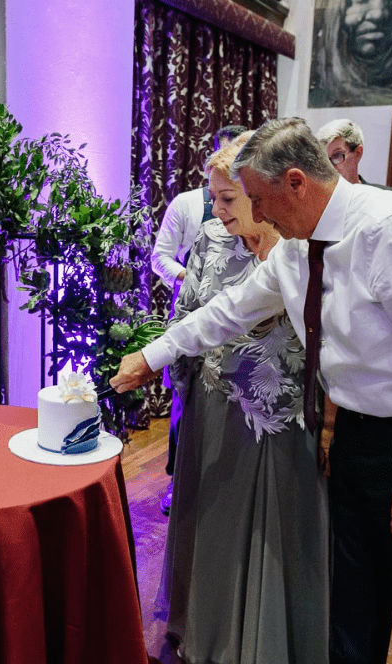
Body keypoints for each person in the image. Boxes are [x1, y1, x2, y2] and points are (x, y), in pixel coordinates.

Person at [114, 117, 392, 664]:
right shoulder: (297, 249)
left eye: (261, 200)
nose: (257, 216)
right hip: (357, 439)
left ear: (296, 181)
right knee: (352, 609)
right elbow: (229, 310)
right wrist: (152, 356)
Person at [158, 133, 328, 664]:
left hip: (273, 419)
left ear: (259, 197)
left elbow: (321, 342)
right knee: (207, 527)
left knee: (260, 537)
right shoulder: (209, 239)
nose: (215, 208)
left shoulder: (297, 251)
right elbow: (190, 312)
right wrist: (171, 370)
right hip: (212, 407)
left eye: (227, 198)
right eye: (212, 196)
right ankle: (202, 633)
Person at [150, 123, 247, 515]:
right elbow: (160, 257)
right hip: (193, 311)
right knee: (185, 409)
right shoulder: (187, 205)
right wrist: (193, 276)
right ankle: (180, 478)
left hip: (241, 336)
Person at [316, 118, 392, 190]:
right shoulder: (316, 201)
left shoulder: (386, 198)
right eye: (324, 159)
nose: (330, 167)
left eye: (337, 156)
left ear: (358, 153)